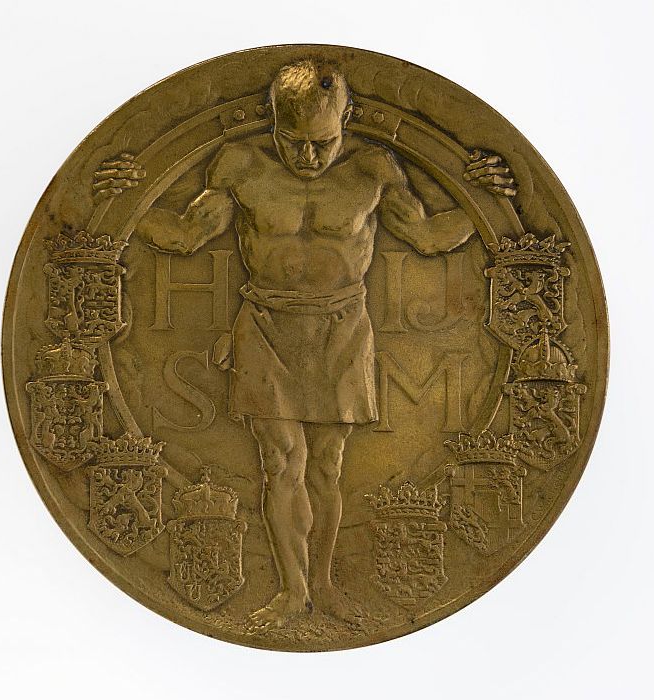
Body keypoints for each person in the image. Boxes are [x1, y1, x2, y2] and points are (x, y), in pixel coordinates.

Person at [96, 59, 515, 631]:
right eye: (294, 142)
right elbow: (186, 235)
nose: (309, 158)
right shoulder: (241, 166)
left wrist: (483, 199)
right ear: (272, 121)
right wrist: (131, 196)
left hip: (342, 328)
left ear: (347, 118)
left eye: (323, 142)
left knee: (328, 466)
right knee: (280, 462)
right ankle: (292, 593)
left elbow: (428, 236)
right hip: (266, 326)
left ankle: (325, 586)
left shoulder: (373, 169)